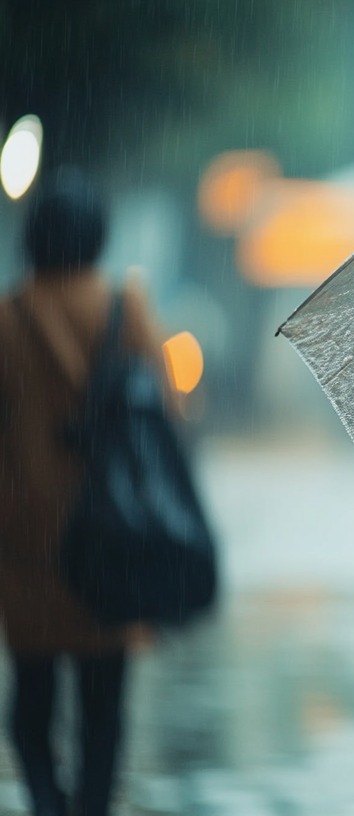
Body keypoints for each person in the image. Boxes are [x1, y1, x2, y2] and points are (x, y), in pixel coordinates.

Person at [0, 173, 168, 816]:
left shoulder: (10, 318)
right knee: (104, 709)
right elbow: (168, 413)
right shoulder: (125, 309)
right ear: (97, 236)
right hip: (112, 535)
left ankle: (47, 801)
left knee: (31, 703)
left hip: (29, 541)